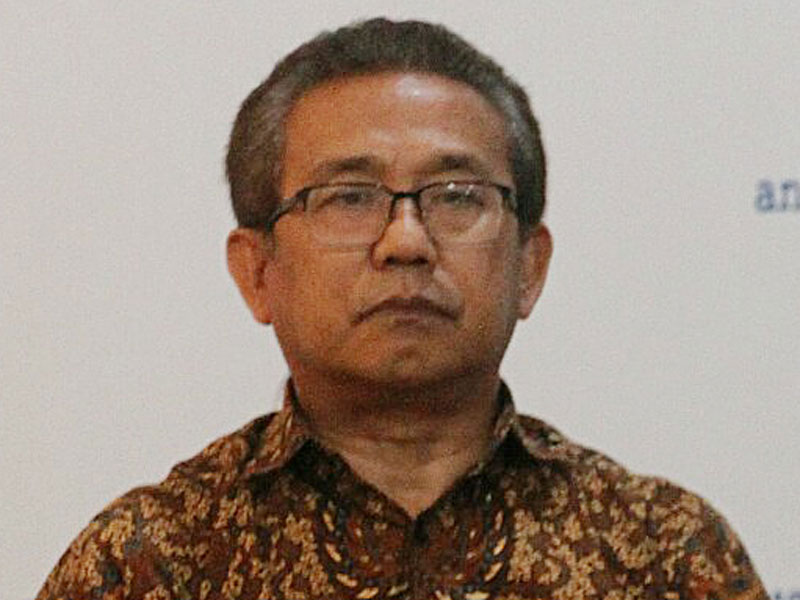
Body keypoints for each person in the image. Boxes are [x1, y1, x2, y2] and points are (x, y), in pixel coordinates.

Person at [37, 18, 766, 600]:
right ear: (257, 271)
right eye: (349, 198)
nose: (406, 241)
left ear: (529, 266)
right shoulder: (152, 562)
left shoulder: (662, 555)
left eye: (457, 196)